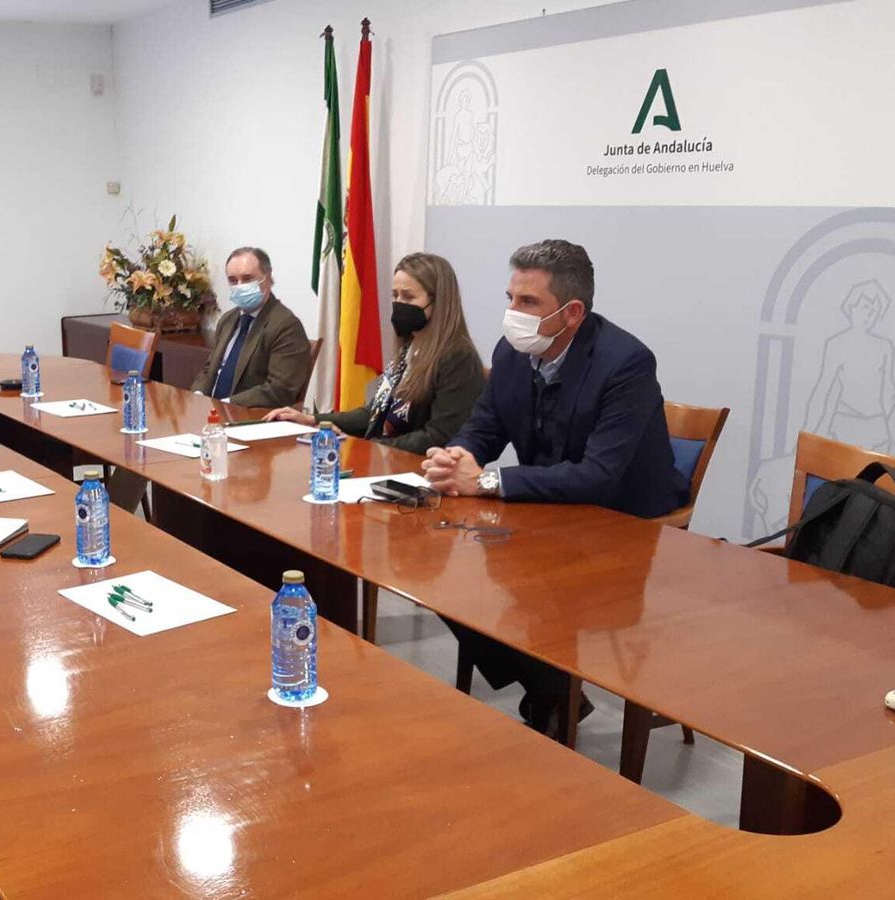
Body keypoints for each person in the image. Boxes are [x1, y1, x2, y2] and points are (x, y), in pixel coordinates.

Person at [421, 239, 687, 733]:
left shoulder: (626, 363)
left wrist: (486, 480)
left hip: (622, 520)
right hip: (547, 508)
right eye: (510, 299)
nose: (512, 314)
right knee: (442, 572)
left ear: (572, 312)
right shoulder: (513, 351)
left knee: (517, 580)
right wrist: (455, 456)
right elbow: (485, 426)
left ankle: (553, 695)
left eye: (528, 303)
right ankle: (549, 690)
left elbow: (598, 476)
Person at [264, 252, 484, 454]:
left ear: (439, 303)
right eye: (395, 296)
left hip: (421, 474)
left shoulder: (458, 357)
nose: (398, 304)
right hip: (388, 463)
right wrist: (312, 419)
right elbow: (374, 413)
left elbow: (439, 437)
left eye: (408, 297)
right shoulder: (410, 348)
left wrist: (366, 446)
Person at [189, 247, 312, 408]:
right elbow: (209, 369)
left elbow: (279, 390)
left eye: (247, 279)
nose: (239, 286)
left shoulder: (286, 326)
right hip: (211, 414)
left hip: (249, 418)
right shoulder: (228, 319)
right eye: (233, 280)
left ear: (267, 279)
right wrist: (198, 395)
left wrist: (226, 404)